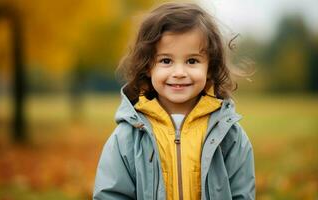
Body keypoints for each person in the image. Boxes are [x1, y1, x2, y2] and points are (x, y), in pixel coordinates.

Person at [93, 2, 255, 200]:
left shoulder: (229, 136)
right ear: (148, 66)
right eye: (166, 61)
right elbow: (111, 195)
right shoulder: (128, 137)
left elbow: (242, 195)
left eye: (192, 61)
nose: (179, 73)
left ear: (210, 67)